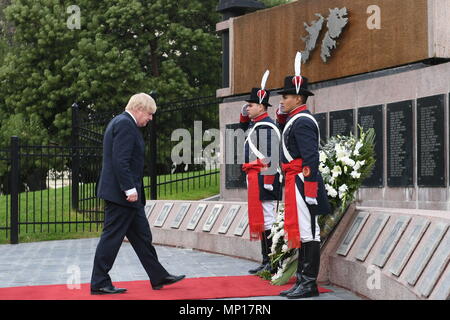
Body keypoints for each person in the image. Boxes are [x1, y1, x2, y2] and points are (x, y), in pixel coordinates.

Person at [90, 93, 185, 295]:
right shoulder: (125, 124)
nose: (150, 118)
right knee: (112, 238)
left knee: (142, 236)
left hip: (126, 196)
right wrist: (129, 189)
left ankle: (158, 275)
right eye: (149, 114)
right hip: (122, 196)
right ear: (139, 109)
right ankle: (99, 282)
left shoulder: (123, 122)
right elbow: (120, 161)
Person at [276, 55, 331, 299]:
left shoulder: (303, 120)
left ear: (298, 97)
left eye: (286, 96)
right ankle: (302, 280)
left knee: (309, 232)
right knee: (303, 230)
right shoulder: (294, 119)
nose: (282, 100)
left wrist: (309, 190)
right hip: (295, 179)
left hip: (302, 181)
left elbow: (311, 158)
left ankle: (309, 283)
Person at [240, 71, 282, 275]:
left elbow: (271, 158)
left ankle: (273, 261)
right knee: (263, 220)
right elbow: (243, 128)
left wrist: (267, 181)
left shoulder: (266, 126)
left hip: (265, 180)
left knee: (268, 220)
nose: (248, 107)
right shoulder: (256, 124)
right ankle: (266, 259)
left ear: (261, 106)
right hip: (256, 179)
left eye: (251, 105)